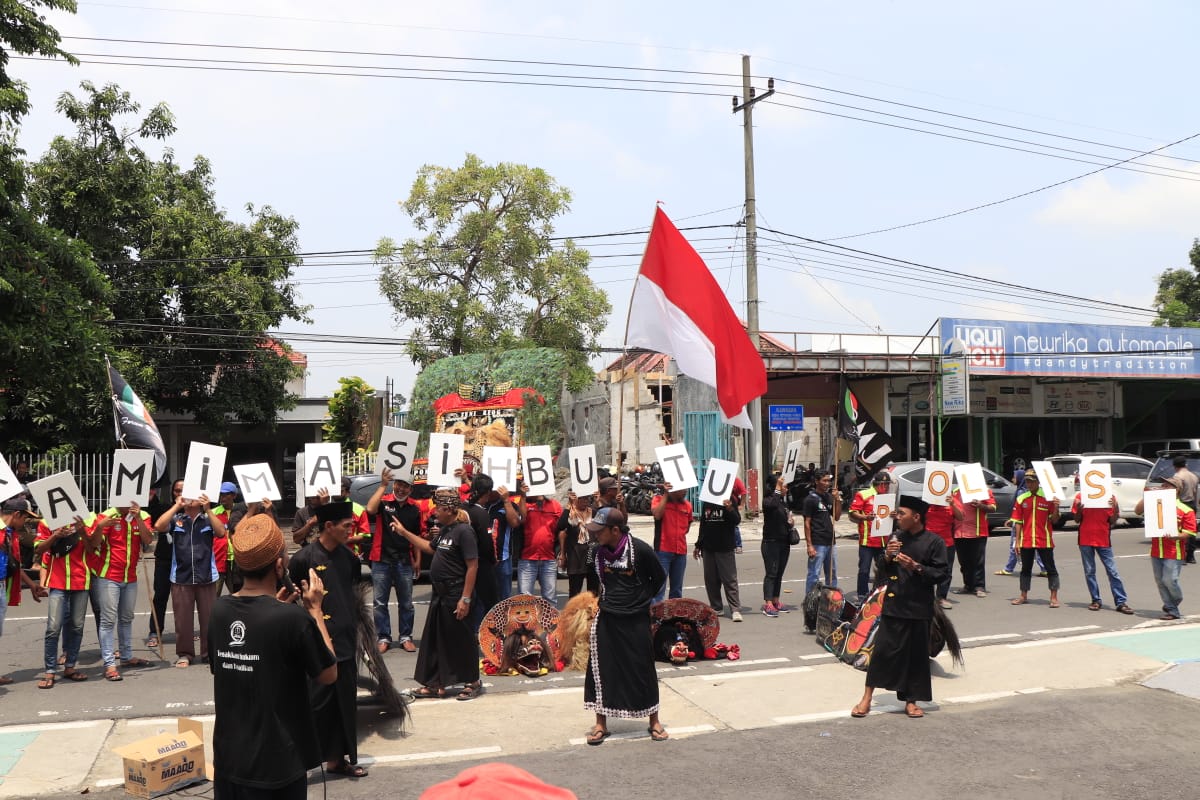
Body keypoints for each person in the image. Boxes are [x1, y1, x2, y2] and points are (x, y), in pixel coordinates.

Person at [209, 514, 338, 799]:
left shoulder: (219, 610)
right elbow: (329, 673)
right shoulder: (291, 618)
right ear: (279, 566)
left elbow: (227, 667)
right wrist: (315, 612)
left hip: (229, 760)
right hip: (277, 765)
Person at [288, 501, 369, 778]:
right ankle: (298, 763)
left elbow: (352, 596)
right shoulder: (303, 559)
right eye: (346, 526)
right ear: (329, 526)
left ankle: (338, 760)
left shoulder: (350, 559)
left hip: (344, 640)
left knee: (343, 703)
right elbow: (290, 598)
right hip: (314, 640)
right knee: (314, 704)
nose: (351, 530)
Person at [850, 495, 948, 720]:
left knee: (916, 657)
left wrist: (916, 567)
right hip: (894, 605)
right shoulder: (896, 538)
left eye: (902, 514)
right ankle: (866, 697)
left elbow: (942, 574)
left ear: (916, 517)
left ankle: (911, 701)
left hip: (918, 607)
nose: (898, 517)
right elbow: (882, 571)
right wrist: (886, 556)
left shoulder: (934, 542)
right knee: (882, 652)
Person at [583, 506, 668, 745]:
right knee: (600, 669)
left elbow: (659, 578)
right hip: (607, 617)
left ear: (615, 530)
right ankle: (601, 723)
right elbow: (593, 581)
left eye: (600, 530)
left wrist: (641, 599)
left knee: (643, 667)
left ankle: (654, 721)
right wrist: (595, 603)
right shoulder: (595, 552)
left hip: (636, 618)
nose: (595, 534)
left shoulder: (640, 550)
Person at [393, 488, 481, 701]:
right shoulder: (445, 530)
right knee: (436, 640)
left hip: (456, 592)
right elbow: (429, 548)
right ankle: (436, 683)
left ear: (449, 510)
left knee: (461, 639)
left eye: (438, 509)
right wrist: (404, 533)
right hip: (440, 594)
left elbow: (473, 566)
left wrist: (465, 599)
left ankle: (472, 681)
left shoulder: (464, 532)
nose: (434, 512)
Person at [154, 489, 227, 667]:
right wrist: (176, 506)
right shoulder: (177, 519)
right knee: (183, 620)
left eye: (194, 495)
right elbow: (159, 526)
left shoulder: (207, 519)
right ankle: (185, 654)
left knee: (209, 619)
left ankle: (209, 653)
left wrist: (208, 509)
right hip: (181, 577)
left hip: (206, 576)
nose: (191, 498)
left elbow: (221, 532)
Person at [89, 501, 155, 680]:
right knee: (108, 621)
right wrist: (100, 527)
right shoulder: (106, 516)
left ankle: (126, 656)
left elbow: (148, 540)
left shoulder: (143, 515)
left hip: (130, 578)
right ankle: (109, 664)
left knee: (126, 618)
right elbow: (94, 543)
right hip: (109, 576)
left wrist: (138, 517)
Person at [35, 514, 102, 687]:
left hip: (81, 581)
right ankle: (50, 671)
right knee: (53, 628)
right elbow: (39, 549)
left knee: (77, 626)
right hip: (57, 582)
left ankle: (70, 666)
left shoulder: (88, 520)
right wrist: (55, 535)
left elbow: (92, 549)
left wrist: (82, 531)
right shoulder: (46, 522)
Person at [365, 468, 421, 654]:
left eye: (405, 486)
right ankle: (383, 637)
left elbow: (417, 537)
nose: (401, 489)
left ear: (411, 489)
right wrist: (383, 485)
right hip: (381, 560)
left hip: (404, 561)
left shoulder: (415, 508)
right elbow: (370, 509)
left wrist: (417, 560)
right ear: (394, 485)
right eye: (398, 484)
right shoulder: (384, 502)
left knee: (406, 603)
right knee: (380, 602)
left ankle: (406, 637)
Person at [1134, 476, 1197, 620]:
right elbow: (1137, 511)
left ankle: (1176, 599)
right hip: (1156, 550)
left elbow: (1190, 532)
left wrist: (1176, 536)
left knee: (1170, 580)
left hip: (1174, 551)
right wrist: (1146, 496)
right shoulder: (1155, 503)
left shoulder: (1185, 510)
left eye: (1168, 486)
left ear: (1177, 490)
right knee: (1160, 581)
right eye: (1163, 485)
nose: (1163, 487)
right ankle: (1171, 609)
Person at [0, 498, 48, 684]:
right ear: (16, 514)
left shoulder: (9, 533)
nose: (25, 523)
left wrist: (32, 584)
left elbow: (14, 564)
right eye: (24, 518)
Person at [1072, 492, 1133, 614]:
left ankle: (1121, 602)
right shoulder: (1080, 496)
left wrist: (1115, 507)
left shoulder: (1109, 496)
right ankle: (1095, 600)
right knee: (1089, 571)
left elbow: (1113, 520)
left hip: (1103, 539)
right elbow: (1076, 520)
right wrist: (1079, 509)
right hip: (1085, 539)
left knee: (1112, 571)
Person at [1009, 472, 1061, 608]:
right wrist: (1017, 541)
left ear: (1038, 482)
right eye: (1027, 481)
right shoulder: (1021, 498)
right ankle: (1023, 595)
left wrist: (1056, 507)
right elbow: (1018, 521)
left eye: (1032, 481)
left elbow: (1055, 520)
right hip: (1026, 540)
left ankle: (1054, 597)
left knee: (1050, 568)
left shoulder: (1048, 497)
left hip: (1044, 540)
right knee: (1025, 569)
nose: (1029, 484)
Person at [146, 478, 182, 650]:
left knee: (184, 599)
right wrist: (151, 497)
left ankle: (184, 631)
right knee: (160, 596)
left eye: (183, 490)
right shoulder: (166, 508)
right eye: (177, 491)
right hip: (165, 560)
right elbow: (153, 515)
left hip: (185, 562)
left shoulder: (194, 511)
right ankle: (155, 632)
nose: (180, 494)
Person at [694, 496, 742, 621]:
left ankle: (735, 609)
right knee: (711, 580)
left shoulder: (730, 499)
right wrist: (698, 545)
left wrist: (730, 509)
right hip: (708, 547)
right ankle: (716, 607)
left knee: (729, 579)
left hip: (725, 547)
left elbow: (737, 520)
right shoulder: (707, 501)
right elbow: (703, 525)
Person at [848, 472, 892, 597]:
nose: (887, 487)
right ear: (879, 484)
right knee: (864, 570)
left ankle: (880, 594)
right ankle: (862, 594)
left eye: (888, 485)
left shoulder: (887, 497)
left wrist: (893, 515)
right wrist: (865, 517)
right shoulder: (863, 494)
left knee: (883, 569)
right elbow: (852, 512)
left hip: (882, 540)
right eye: (885, 484)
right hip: (867, 540)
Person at [515, 491, 562, 604]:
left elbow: (562, 528)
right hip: (527, 558)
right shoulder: (524, 504)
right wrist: (523, 496)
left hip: (549, 558)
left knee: (549, 599)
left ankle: (550, 617)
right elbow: (521, 519)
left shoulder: (554, 505)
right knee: (524, 599)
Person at [650, 483, 692, 603]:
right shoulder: (658, 500)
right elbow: (657, 515)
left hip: (681, 551)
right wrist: (666, 494)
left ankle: (674, 612)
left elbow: (687, 527)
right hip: (663, 551)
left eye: (686, 488)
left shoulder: (687, 505)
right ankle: (656, 613)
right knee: (659, 588)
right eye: (682, 489)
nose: (685, 491)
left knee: (677, 590)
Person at [802, 470, 841, 599]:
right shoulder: (810, 499)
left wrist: (837, 499)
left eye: (828, 480)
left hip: (831, 541)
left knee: (832, 573)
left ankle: (831, 599)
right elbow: (807, 523)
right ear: (816, 481)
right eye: (824, 480)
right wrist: (809, 545)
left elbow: (837, 516)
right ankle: (810, 600)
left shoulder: (829, 497)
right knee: (814, 574)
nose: (827, 483)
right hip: (817, 541)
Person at [951, 487, 995, 598]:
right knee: (963, 562)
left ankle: (979, 586)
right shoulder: (955, 491)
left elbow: (993, 507)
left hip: (977, 532)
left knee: (978, 562)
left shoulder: (983, 490)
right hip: (959, 532)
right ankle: (968, 585)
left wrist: (981, 505)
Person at [557, 492, 600, 598]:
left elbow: (604, 523)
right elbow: (560, 526)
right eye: (582, 498)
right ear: (576, 499)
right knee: (575, 592)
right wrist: (569, 506)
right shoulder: (570, 513)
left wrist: (598, 502)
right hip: (575, 557)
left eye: (587, 498)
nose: (585, 501)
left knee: (593, 592)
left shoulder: (593, 512)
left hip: (591, 556)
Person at [761, 475, 792, 618]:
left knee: (779, 573)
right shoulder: (768, 500)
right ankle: (768, 603)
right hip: (771, 542)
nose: (786, 489)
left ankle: (775, 600)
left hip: (784, 542)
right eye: (783, 486)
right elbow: (772, 505)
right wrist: (778, 487)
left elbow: (784, 518)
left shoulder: (783, 503)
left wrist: (790, 522)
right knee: (771, 573)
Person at [925, 499, 955, 608]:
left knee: (946, 571)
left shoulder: (950, 504)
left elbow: (961, 517)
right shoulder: (926, 505)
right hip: (928, 542)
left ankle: (941, 597)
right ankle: (926, 597)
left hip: (947, 543)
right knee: (926, 569)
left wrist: (952, 504)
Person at [1171, 455, 1198, 563]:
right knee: (1191, 531)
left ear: (1175, 466)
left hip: (1182, 504)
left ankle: (1183, 555)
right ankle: (1191, 556)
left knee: (1181, 531)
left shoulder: (1177, 476)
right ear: (1186, 464)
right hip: (1192, 504)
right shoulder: (1194, 476)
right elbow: (1195, 493)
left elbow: (1176, 492)